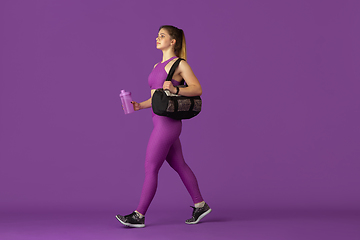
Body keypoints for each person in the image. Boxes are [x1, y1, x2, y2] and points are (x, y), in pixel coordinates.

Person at [116, 25, 211, 228]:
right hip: (159, 121)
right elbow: (157, 98)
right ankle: (200, 205)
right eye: (157, 35)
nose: (157, 38)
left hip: (168, 125)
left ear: (173, 41)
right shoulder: (156, 66)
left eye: (162, 36)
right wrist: (139, 105)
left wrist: (176, 88)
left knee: (150, 167)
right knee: (179, 164)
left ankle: (139, 215)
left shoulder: (179, 64)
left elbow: (197, 88)